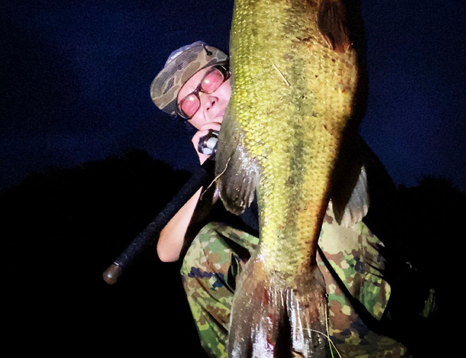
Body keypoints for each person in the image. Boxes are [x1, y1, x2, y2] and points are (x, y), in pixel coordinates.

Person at [150, 41, 436, 358]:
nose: (206, 101)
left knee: (315, 214)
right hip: (305, 296)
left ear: (236, 75)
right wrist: (219, 171)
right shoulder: (225, 166)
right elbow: (167, 250)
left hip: (391, 286)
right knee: (203, 249)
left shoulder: (287, 107)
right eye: (189, 104)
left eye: (211, 80)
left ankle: (376, 350)